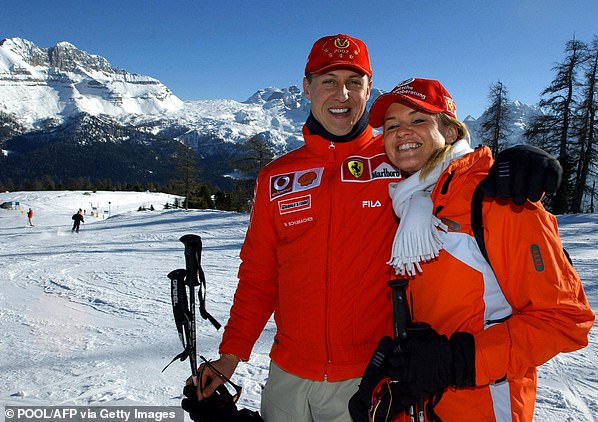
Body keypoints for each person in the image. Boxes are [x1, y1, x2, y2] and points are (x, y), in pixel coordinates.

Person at [185, 35, 565, 422]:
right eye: (328, 80)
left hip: (369, 377)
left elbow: (450, 167)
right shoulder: (276, 177)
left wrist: (514, 162)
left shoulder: (396, 161)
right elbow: (259, 276)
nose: (342, 93)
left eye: (354, 81)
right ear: (307, 86)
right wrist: (230, 357)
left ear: (369, 88)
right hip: (288, 375)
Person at [348, 78, 595, 421]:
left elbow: (565, 320)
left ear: (450, 133)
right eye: (392, 126)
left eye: (418, 120)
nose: (402, 132)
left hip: (483, 408)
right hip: (424, 405)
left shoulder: (498, 201)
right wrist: (385, 377)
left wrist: (457, 362)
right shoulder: (409, 207)